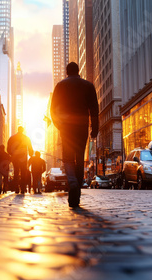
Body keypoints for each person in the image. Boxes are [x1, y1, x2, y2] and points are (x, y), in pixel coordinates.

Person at [51, 62, 99, 207]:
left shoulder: (60, 86)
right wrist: (94, 128)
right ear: (78, 71)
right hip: (81, 127)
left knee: (68, 158)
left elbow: (53, 110)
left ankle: (72, 183)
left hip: (66, 128)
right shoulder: (88, 86)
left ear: (67, 72)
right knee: (79, 156)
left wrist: (59, 125)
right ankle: (76, 190)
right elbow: (94, 110)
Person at [7, 126, 34, 194]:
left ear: (18, 130)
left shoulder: (12, 138)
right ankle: (22, 188)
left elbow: (8, 148)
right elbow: (30, 147)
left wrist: (11, 154)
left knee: (16, 173)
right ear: (22, 130)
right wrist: (31, 153)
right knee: (23, 173)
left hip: (15, 158)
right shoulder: (26, 138)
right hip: (23, 158)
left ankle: (16, 188)